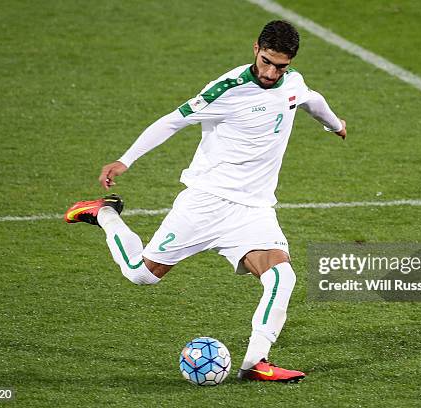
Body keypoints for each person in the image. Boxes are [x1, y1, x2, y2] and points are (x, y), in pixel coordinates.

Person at [65, 20, 346, 383]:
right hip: (205, 203)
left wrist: (333, 124)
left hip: (254, 210)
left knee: (282, 277)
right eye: (266, 61)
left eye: (280, 65)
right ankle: (104, 213)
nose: (272, 73)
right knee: (140, 275)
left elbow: (311, 99)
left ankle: (256, 363)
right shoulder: (227, 90)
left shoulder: (291, 82)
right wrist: (125, 159)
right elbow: (171, 121)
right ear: (255, 49)